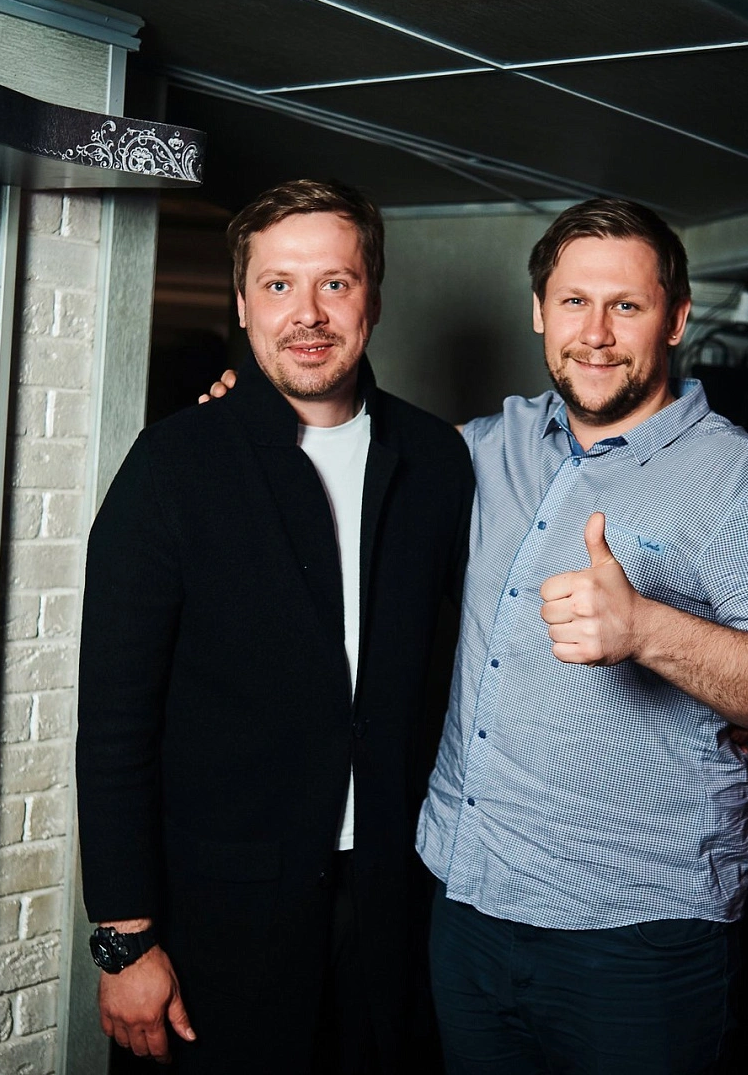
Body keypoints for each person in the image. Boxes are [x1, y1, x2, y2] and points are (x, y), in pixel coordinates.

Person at [416, 199, 748, 1074]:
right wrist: (249, 413)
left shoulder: (740, 482)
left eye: (626, 305)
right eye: (574, 302)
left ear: (676, 319)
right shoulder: (485, 448)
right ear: (538, 312)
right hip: (466, 903)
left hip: (633, 940)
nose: (596, 333)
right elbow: (347, 459)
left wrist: (646, 629)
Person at [75, 179, 473, 1073]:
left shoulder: (438, 461)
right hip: (216, 914)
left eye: (335, 283)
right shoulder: (173, 465)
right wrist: (124, 941)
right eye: (278, 284)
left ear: (372, 297)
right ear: (242, 303)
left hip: (393, 905)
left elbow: (479, 651)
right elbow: (112, 723)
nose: (308, 314)